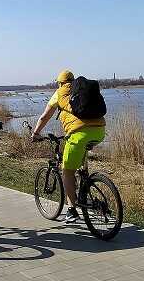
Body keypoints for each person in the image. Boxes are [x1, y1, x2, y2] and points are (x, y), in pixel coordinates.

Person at [30, 70, 105, 223]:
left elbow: (45, 116)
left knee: (67, 171)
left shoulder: (60, 93)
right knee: (80, 162)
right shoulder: (82, 90)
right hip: (100, 131)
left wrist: (35, 133)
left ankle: (72, 210)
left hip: (79, 134)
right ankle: (85, 188)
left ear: (60, 83)